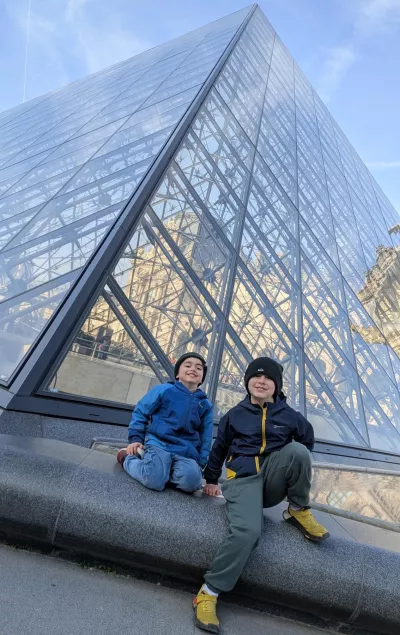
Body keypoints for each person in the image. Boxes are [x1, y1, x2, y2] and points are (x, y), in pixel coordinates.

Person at [193, 357, 329, 634]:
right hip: (242, 479)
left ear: (276, 385)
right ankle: (208, 592)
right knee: (247, 532)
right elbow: (219, 449)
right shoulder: (235, 414)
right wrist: (210, 479)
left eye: (268, 378)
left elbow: (307, 441)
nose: (261, 381)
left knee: (299, 452)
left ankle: (298, 510)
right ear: (248, 381)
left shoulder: (289, 415)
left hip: (270, 482)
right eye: (256, 377)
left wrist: (286, 468)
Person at [117, 353, 213, 494]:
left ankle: (160, 469)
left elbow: (206, 435)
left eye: (199, 368)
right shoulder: (163, 390)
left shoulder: (205, 404)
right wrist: (136, 439)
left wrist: (201, 462)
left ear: (202, 378)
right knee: (153, 480)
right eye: (187, 365)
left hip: (186, 451)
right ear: (178, 374)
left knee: (192, 483)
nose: (193, 369)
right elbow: (141, 412)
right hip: (159, 444)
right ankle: (126, 458)